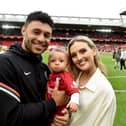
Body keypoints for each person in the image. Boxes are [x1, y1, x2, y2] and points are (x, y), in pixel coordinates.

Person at [0, 11, 69, 126]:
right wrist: (53, 103)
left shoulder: (45, 69)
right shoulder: (5, 63)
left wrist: (61, 115)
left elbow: (51, 105)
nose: (41, 39)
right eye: (36, 32)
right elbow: (9, 117)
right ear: (23, 30)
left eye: (47, 35)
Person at [67, 35, 116, 126]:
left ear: (93, 51)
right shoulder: (73, 80)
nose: (79, 58)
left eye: (83, 51)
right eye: (74, 55)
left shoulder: (104, 89)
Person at [46, 47, 79, 121]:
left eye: (61, 61)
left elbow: (74, 90)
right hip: (49, 107)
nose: (57, 63)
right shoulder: (51, 75)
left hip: (60, 110)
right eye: (53, 61)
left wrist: (74, 101)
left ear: (67, 64)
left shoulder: (65, 76)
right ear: (49, 64)